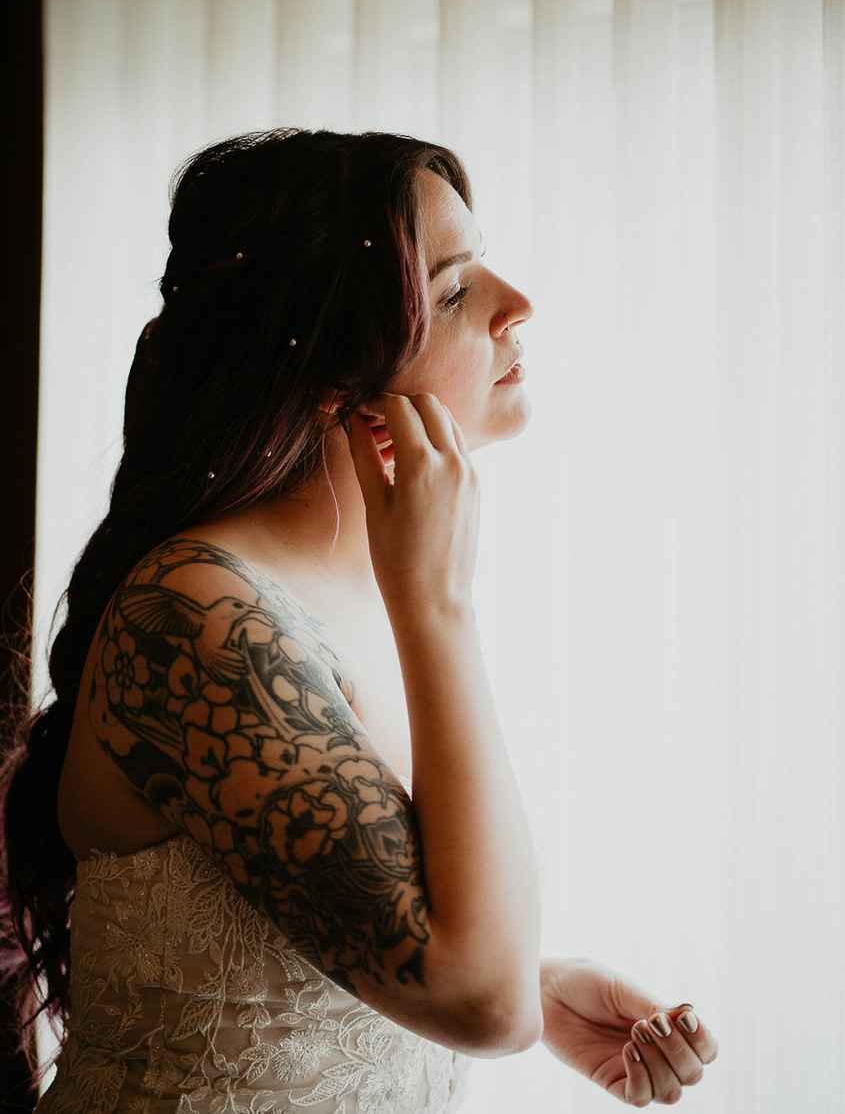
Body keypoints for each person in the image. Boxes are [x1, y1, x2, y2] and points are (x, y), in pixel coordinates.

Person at [1, 129, 717, 1112]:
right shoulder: (199, 613)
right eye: (458, 289)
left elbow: (356, 923)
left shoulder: (346, 600)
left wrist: (538, 985)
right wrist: (439, 606)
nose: (519, 304)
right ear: (337, 376)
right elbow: (475, 997)